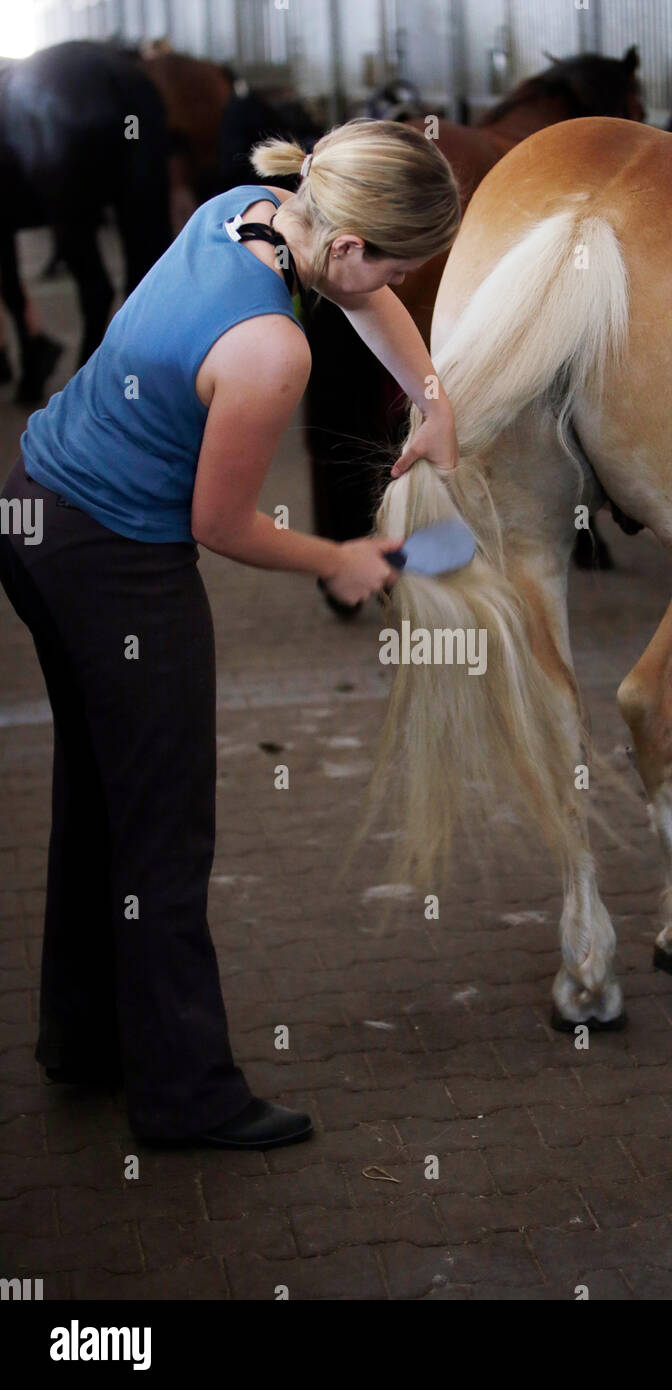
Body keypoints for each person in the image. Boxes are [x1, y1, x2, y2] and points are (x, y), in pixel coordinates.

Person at [0, 118, 462, 1150]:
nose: (399, 281)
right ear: (344, 245)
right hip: (108, 557)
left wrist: (433, 397)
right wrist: (339, 557)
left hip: (32, 503)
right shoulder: (270, 349)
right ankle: (184, 1095)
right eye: (398, 261)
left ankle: (83, 1039)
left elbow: (367, 293)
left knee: (102, 791)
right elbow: (220, 526)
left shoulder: (243, 213)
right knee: (166, 829)